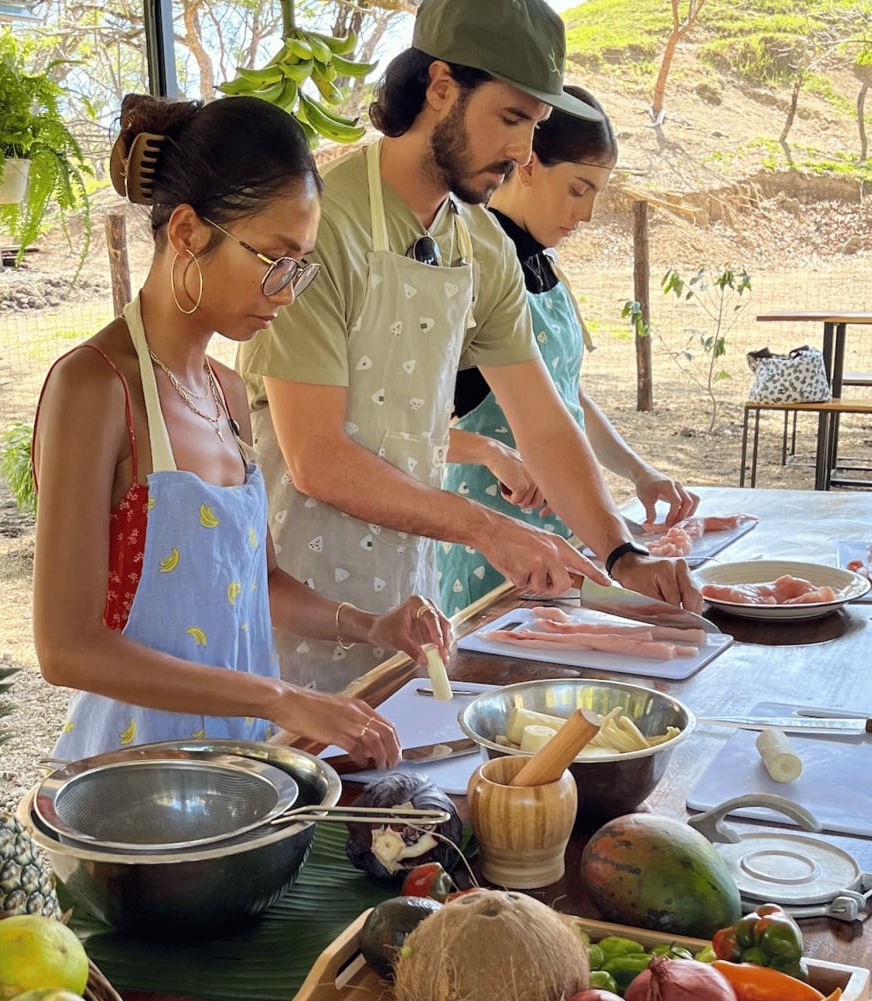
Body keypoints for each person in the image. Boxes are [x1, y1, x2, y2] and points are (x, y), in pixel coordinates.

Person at [236, 0, 700, 692]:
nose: (521, 154)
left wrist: (621, 551)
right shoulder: (322, 229)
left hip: (411, 606)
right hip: (294, 614)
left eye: (534, 129)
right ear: (442, 88)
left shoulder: (481, 245)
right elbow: (317, 458)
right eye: (511, 120)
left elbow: (544, 420)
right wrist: (488, 528)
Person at [31, 94, 452, 767]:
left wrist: (371, 624)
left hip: (240, 774)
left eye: (301, 265)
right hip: (134, 786)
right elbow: (65, 647)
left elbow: (259, 582)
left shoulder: (226, 391)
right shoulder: (96, 388)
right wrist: (278, 696)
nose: (288, 290)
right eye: (274, 258)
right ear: (188, 232)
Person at [438, 84, 698, 615]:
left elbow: (562, 400)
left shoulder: (544, 266)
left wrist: (638, 472)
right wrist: (490, 452)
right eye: (579, 189)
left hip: (567, 525)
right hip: (493, 538)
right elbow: (402, 423)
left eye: (597, 194)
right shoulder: (473, 262)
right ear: (528, 161)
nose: (587, 214)